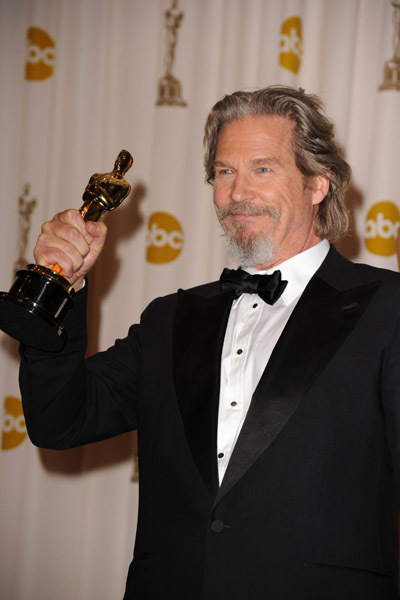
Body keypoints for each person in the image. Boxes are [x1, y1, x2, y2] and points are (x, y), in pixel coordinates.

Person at [19, 86, 400, 600]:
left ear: (318, 183)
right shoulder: (170, 319)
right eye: (225, 172)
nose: (237, 193)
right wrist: (59, 285)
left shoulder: (388, 308)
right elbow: (60, 419)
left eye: (263, 169)